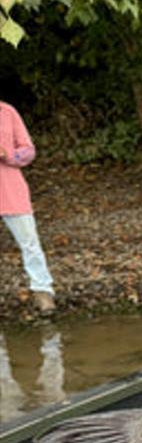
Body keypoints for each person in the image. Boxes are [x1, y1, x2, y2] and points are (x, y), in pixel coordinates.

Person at [0, 101, 56, 315]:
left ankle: (42, 290)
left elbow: (28, 150)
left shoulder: (7, 111)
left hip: (10, 189)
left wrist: (8, 155)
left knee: (30, 243)